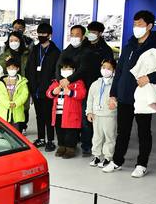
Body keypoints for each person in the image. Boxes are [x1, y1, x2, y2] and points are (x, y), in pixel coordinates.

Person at [103, 10, 156, 177]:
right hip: (125, 94)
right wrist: (114, 93)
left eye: (140, 24)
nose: (136, 27)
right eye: (135, 24)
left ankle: (142, 164)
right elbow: (119, 72)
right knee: (123, 131)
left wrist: (150, 78)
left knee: (143, 130)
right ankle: (117, 160)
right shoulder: (128, 46)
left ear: (149, 26)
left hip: (143, 96)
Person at [57, 24, 99, 157]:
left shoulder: (87, 51)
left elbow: (83, 69)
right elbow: (58, 67)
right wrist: (60, 81)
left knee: (83, 119)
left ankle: (86, 146)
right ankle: (65, 144)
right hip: (66, 90)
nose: (74, 37)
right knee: (67, 118)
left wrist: (69, 79)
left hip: (83, 88)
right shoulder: (66, 51)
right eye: (72, 35)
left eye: (77, 35)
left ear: (83, 36)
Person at [26, 23, 61, 151]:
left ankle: (50, 140)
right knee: (39, 115)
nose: (41, 36)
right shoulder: (34, 49)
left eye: (44, 34)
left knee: (48, 116)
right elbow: (29, 68)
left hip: (48, 90)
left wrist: (52, 86)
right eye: (39, 34)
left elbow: (57, 71)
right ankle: (41, 138)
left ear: (49, 35)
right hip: (35, 89)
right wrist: (31, 86)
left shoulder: (55, 52)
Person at [46, 58, 86, 158]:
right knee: (59, 131)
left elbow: (82, 94)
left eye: (69, 68)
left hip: (72, 113)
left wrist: (70, 92)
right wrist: (53, 92)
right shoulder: (56, 82)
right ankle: (62, 146)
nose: (66, 70)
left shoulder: (78, 82)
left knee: (71, 132)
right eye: (64, 68)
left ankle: (70, 148)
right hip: (58, 113)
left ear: (73, 70)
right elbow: (48, 93)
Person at [86, 59, 117, 168]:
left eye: (109, 68)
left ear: (114, 70)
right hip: (96, 115)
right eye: (104, 67)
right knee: (97, 136)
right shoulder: (95, 83)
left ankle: (108, 157)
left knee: (110, 137)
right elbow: (90, 99)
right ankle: (97, 156)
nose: (105, 70)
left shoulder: (115, 84)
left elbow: (118, 99)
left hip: (109, 115)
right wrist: (89, 112)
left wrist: (115, 104)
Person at [0, 31, 29, 116]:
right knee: (8, 109)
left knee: (22, 107)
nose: (13, 42)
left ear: (20, 41)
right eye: (11, 40)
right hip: (8, 86)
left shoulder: (27, 54)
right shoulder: (4, 56)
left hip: (22, 85)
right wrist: (5, 62)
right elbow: (0, 70)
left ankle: (22, 127)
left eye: (16, 40)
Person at [0, 57, 29, 132]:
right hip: (4, 113)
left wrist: (16, 103)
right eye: (9, 68)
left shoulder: (22, 82)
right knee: (5, 133)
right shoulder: (1, 82)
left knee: (16, 133)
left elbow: (24, 95)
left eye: (13, 68)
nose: (11, 70)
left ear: (18, 69)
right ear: (6, 69)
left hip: (17, 113)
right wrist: (8, 104)